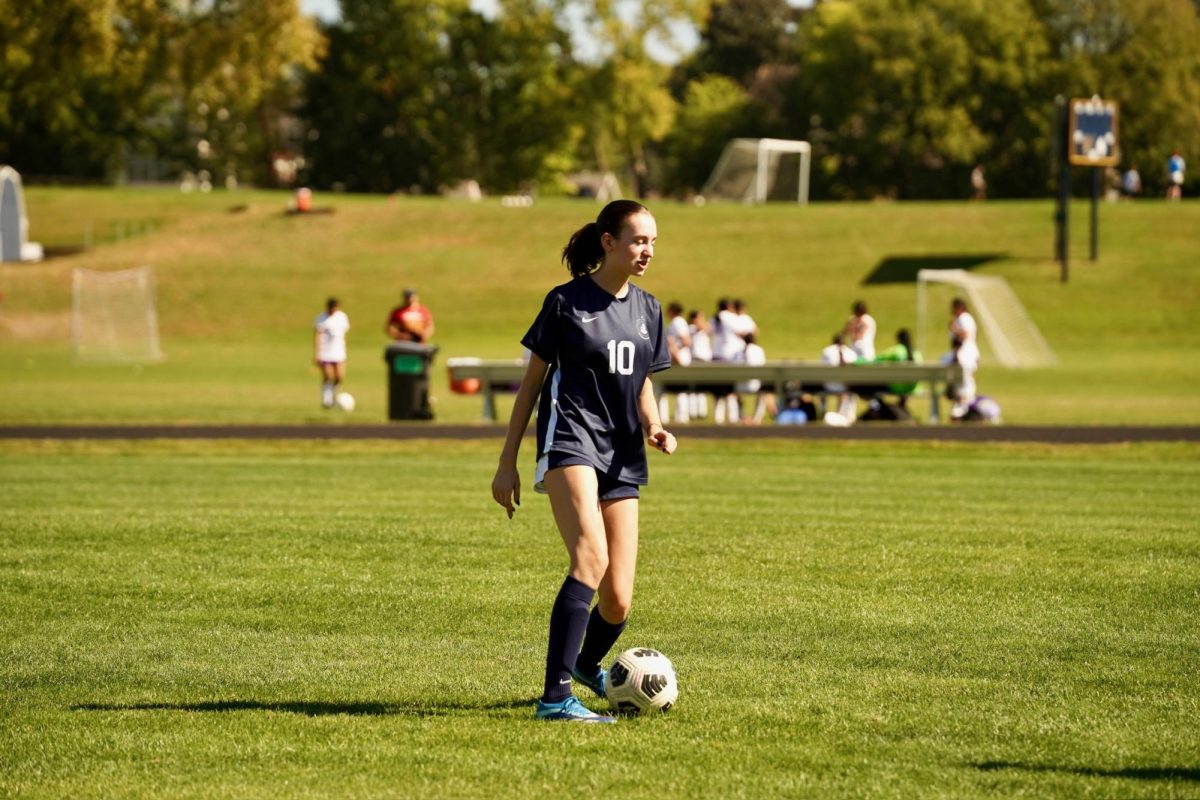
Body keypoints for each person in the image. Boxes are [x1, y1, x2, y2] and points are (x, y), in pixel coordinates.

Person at [490, 200, 676, 724]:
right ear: (607, 241)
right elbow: (530, 385)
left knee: (618, 598)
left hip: (623, 451)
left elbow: (641, 379)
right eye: (639, 240)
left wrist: (655, 425)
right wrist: (506, 463)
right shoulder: (565, 302)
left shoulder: (649, 308)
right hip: (570, 439)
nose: (648, 251)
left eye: (653, 242)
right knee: (589, 562)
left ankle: (589, 665)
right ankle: (554, 698)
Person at [946, 297, 980, 418]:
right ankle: (962, 407)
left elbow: (964, 335)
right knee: (964, 382)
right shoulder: (965, 318)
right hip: (966, 355)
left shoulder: (963, 318)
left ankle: (963, 407)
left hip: (965, 356)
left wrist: (954, 328)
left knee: (964, 382)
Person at [314, 297, 350, 409]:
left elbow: (343, 334)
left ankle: (334, 395)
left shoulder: (342, 317)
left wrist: (345, 349)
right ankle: (327, 400)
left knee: (339, 376)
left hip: (338, 351)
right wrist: (317, 353)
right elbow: (318, 335)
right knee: (328, 376)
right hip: (325, 351)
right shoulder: (321, 318)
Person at [662, 301, 693, 424]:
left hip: (679, 359)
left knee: (679, 389)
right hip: (680, 358)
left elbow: (686, 341)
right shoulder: (679, 322)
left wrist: (675, 352)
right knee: (679, 389)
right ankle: (680, 416)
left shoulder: (677, 322)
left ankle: (681, 417)